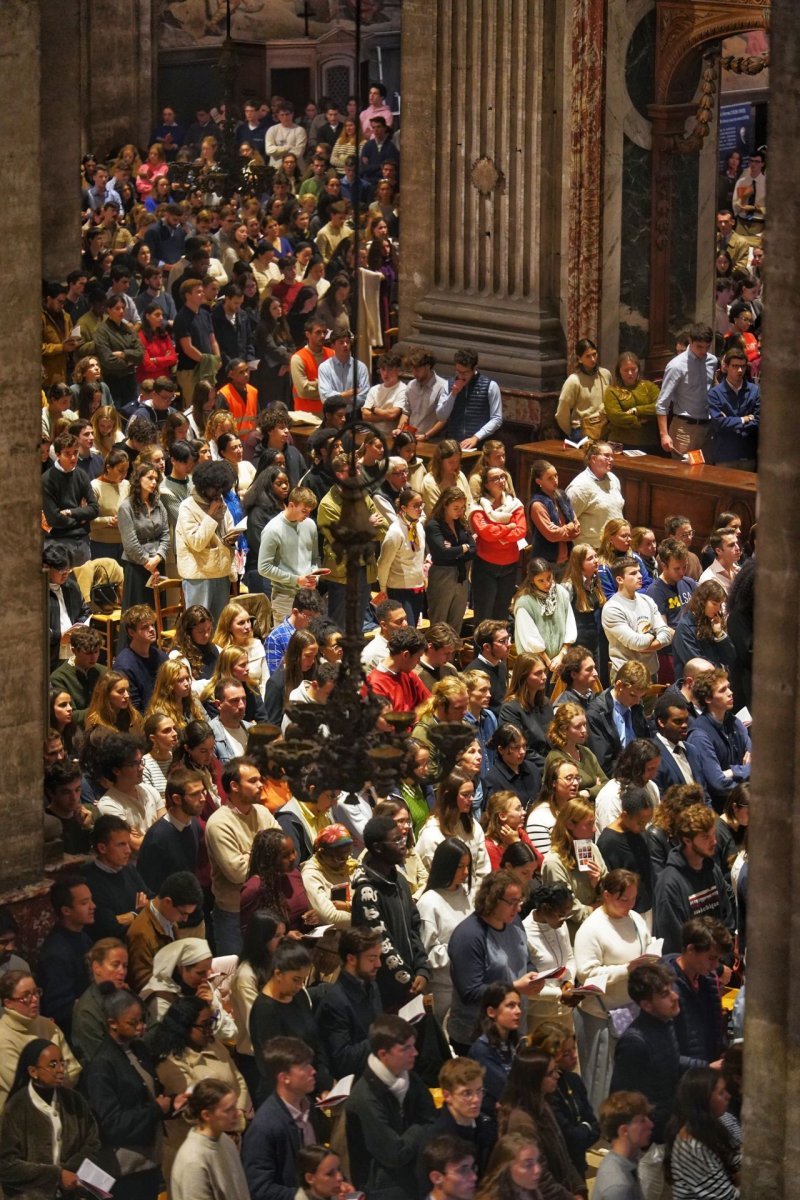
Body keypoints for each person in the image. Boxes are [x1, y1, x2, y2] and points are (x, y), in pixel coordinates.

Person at [572, 869, 655, 1111]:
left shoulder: (636, 919)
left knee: (629, 1073)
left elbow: (647, 943)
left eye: (633, 898)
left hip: (634, 1009)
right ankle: (598, 1129)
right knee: (601, 1077)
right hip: (601, 1015)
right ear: (607, 895)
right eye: (623, 899)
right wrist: (626, 970)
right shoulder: (592, 928)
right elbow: (586, 974)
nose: (630, 905)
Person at [81, 988, 174, 1200]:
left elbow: (150, 1095)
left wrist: (171, 1103)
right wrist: (156, 1109)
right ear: (112, 1023)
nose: (141, 1028)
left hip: (151, 1160)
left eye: (142, 1020)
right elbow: (112, 1123)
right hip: (125, 1170)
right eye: (133, 1023)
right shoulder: (102, 1065)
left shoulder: (139, 1050)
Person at [448, 870, 546, 1053]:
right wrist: (516, 987)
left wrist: (532, 976)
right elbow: (470, 992)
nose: (518, 909)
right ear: (492, 900)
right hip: (477, 1039)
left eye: (520, 902)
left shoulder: (514, 921)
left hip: (512, 1032)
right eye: (512, 902)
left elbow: (524, 957)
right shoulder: (468, 936)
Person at [345, 1014, 438, 1200]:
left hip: (411, 1171)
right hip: (382, 1187)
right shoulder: (364, 1098)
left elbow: (433, 1117)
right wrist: (420, 1128)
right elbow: (394, 1153)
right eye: (406, 1048)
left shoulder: (408, 1077)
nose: (415, 1053)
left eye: (413, 1045)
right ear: (383, 1054)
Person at [0, 1037, 104, 1199]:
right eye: (53, 1065)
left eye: (62, 1062)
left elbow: (92, 1142)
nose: (61, 1069)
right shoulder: (16, 1108)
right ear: (33, 1071)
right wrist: (55, 1175)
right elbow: (6, 1165)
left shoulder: (74, 1100)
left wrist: (69, 1171)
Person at [350, 815, 433, 1011]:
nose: (404, 845)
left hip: (411, 984)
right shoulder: (366, 893)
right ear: (378, 848)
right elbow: (381, 944)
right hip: (385, 993)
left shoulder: (400, 881)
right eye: (397, 841)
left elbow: (414, 927)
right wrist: (407, 980)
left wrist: (422, 967)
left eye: (403, 839)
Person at [205, 756, 280, 954]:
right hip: (234, 915)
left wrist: (249, 855)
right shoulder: (219, 823)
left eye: (260, 779)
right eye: (253, 781)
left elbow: (285, 854)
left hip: (267, 907)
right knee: (235, 976)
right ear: (234, 786)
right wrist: (266, 854)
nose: (261, 785)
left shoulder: (262, 813)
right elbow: (238, 873)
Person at [497, 1043, 587, 1198]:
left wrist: (578, 1187)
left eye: (556, 1070)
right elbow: (538, 1176)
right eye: (551, 1073)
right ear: (535, 1078)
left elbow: (563, 1155)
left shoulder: (543, 1105)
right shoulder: (521, 1122)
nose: (557, 1076)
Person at [242, 1036, 323, 1200]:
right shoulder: (264, 1127)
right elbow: (260, 1189)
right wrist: (309, 1196)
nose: (313, 1071)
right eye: (304, 1066)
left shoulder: (309, 1107)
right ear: (284, 1078)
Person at [653, 803, 734, 955]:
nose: (714, 841)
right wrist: (716, 967)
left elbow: (726, 917)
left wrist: (725, 956)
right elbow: (674, 943)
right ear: (687, 840)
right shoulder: (669, 884)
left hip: (718, 964)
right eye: (705, 837)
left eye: (713, 834)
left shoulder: (712, 869)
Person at [664, 1067, 740, 1200]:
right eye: (721, 1093)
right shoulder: (692, 1145)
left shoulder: (711, 1126)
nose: (728, 1096)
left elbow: (734, 1158)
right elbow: (726, 1197)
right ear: (704, 1101)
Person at [175, 459, 236, 621]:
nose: (218, 493)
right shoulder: (187, 506)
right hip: (199, 575)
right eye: (214, 488)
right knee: (198, 624)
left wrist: (232, 539)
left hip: (221, 572)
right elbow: (196, 542)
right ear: (203, 486)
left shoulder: (220, 502)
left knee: (219, 626)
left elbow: (228, 529)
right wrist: (210, 515)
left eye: (220, 488)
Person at [169, 1078, 250, 1200]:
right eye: (228, 1110)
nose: (237, 1113)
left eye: (235, 1106)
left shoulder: (224, 1140)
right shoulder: (193, 1160)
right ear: (206, 1115)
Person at [126, 870, 205, 993]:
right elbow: (143, 984)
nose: (185, 919)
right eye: (183, 913)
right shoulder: (141, 934)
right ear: (168, 902)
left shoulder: (167, 917)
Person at [37, 875, 95, 1039]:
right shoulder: (56, 954)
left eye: (91, 900)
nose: (93, 906)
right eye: (84, 903)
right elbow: (60, 1008)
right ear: (66, 910)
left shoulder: (82, 936)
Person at [469, 463, 527, 625]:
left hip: (509, 566)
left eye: (503, 477)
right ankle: (481, 650)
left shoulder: (515, 504)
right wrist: (508, 528)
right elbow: (484, 532)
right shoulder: (479, 506)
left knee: (501, 614)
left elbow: (521, 530)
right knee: (483, 615)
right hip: (485, 566)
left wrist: (497, 534)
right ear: (486, 484)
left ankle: (499, 649)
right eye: (495, 478)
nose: (501, 480)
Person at [685, 669, 751, 808]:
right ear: (708, 699)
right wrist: (744, 772)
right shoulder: (700, 735)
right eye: (723, 690)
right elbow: (718, 783)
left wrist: (732, 772)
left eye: (729, 687)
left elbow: (756, 760)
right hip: (719, 811)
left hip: (740, 805)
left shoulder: (734, 722)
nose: (730, 692)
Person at [601, 558, 672, 681]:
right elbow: (636, 642)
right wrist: (653, 633)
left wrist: (646, 645)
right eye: (633, 573)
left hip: (651, 673)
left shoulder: (647, 600)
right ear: (619, 579)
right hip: (626, 676)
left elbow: (667, 634)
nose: (640, 576)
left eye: (639, 571)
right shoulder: (612, 608)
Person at [656, 324, 717, 459]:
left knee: (707, 473)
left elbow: (713, 389)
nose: (703, 351)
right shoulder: (676, 366)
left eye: (707, 347)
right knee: (683, 473)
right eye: (699, 347)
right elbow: (662, 403)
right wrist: (664, 434)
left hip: (707, 427)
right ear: (690, 341)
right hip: (684, 429)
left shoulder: (712, 361)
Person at [586, 661, 650, 776]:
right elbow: (604, 764)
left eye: (641, 697)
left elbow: (646, 742)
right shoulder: (596, 714)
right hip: (615, 779)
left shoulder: (636, 706)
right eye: (633, 695)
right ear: (619, 685)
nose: (637, 701)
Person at [71, 938, 129, 1065]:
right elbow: (101, 1061)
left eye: (125, 966)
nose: (122, 971)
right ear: (97, 967)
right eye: (115, 965)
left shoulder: (128, 995)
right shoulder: (86, 1012)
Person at [467, 982, 523, 1114]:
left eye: (519, 1006)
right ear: (491, 1012)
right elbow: (506, 1090)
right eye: (511, 1006)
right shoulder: (481, 1050)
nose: (518, 1011)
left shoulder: (516, 1043)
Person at [593, 1090, 655, 1200]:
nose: (650, 1124)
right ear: (624, 1130)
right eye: (642, 1121)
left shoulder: (625, 1163)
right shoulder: (618, 1186)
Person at [436, 349, 503, 449]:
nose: (460, 376)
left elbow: (497, 419)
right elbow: (441, 416)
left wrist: (476, 437)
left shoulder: (490, 386)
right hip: (454, 445)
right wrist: (453, 394)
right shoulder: (448, 384)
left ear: (475, 368)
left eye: (465, 373)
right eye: (458, 371)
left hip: (481, 445)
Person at [670, 582, 736, 681]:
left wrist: (719, 634)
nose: (718, 608)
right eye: (714, 604)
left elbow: (730, 658)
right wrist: (721, 674)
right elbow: (698, 667)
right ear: (702, 601)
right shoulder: (684, 628)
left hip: (715, 682)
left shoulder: (712, 622)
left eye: (720, 604)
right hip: (696, 687)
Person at [565, 442, 624, 551]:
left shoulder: (613, 479)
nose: (611, 459)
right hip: (592, 551)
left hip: (614, 547)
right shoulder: (579, 487)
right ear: (593, 459)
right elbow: (567, 521)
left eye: (612, 456)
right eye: (606, 456)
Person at [527, 459, 579, 571]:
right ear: (539, 481)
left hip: (567, 560)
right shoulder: (538, 504)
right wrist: (568, 528)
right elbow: (552, 534)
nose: (555, 480)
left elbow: (575, 524)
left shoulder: (561, 495)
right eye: (550, 478)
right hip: (546, 563)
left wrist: (568, 529)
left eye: (556, 476)